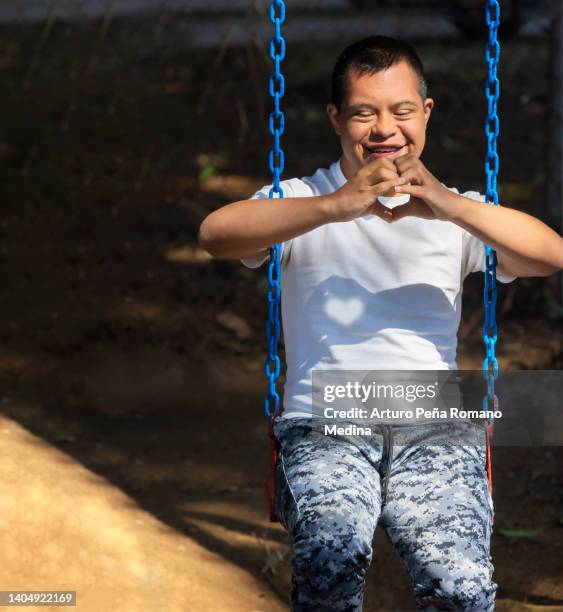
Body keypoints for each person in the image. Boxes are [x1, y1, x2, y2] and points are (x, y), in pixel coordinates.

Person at [198, 35, 563, 612]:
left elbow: (551, 253)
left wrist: (450, 204)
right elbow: (216, 234)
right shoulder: (302, 200)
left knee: (459, 587)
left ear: (426, 114)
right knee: (331, 561)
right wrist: (335, 206)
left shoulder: (456, 212)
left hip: (433, 419)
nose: (384, 129)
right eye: (364, 112)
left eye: (402, 110)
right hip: (326, 421)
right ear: (337, 118)